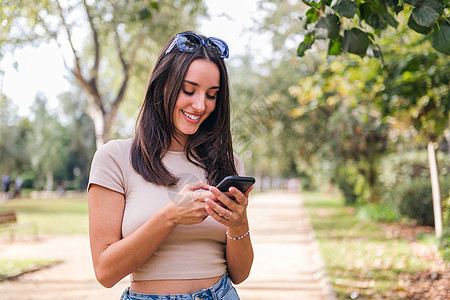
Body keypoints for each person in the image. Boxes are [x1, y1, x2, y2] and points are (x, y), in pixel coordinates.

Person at [88, 31, 254, 300]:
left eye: (212, 95)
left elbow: (240, 273)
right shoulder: (115, 157)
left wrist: (238, 223)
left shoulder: (229, 162)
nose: (200, 105)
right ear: (163, 85)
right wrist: (171, 216)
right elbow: (105, 271)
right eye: (189, 90)